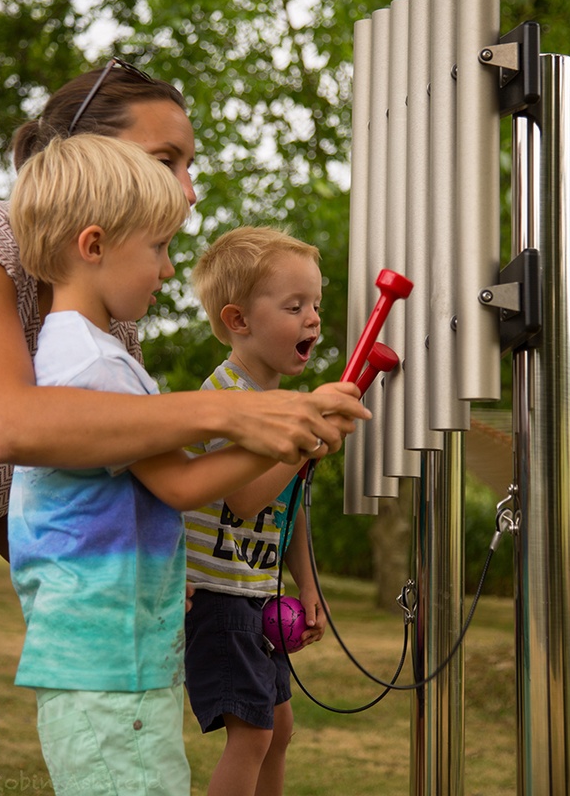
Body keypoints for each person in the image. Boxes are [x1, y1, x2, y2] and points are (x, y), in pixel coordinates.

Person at [0, 58, 369, 796]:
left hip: (114, 646)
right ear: (85, 160)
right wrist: (238, 411)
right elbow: (11, 427)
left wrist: (285, 435)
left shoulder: (112, 334)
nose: (188, 188)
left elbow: (137, 481)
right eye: (166, 160)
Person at [184, 226, 331, 796]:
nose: (313, 318)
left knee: (280, 728)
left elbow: (287, 508)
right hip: (218, 596)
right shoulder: (225, 399)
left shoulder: (286, 408)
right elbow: (246, 499)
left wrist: (308, 585)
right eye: (294, 306)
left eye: (316, 304)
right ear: (239, 321)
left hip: (256, 592)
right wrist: (305, 440)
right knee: (252, 734)